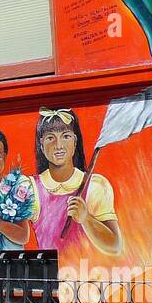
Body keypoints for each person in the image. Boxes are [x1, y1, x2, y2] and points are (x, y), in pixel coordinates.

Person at [31, 108, 122, 255]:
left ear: (75, 142)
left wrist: (86, 218)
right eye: (50, 138)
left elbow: (114, 246)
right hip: (51, 277)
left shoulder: (95, 186)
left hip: (92, 275)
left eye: (66, 136)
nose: (58, 145)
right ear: (41, 145)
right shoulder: (30, 188)